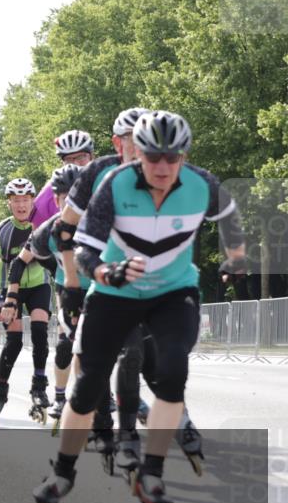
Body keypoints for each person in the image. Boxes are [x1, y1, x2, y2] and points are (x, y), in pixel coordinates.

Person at [24, 111, 246, 503]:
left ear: (184, 155)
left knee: (173, 368)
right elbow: (83, 248)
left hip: (172, 291)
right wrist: (102, 274)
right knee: (89, 385)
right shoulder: (113, 184)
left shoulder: (203, 184)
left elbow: (232, 219)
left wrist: (234, 257)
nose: (162, 167)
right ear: (134, 153)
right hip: (116, 289)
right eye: (152, 157)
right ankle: (63, 473)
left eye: (172, 157)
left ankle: (153, 473)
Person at [58, 107, 202, 478]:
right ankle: (105, 424)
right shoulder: (97, 173)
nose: (137, 152)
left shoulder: (162, 174)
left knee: (148, 354)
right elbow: (64, 231)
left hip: (146, 284)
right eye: (126, 142)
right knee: (93, 359)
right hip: (94, 278)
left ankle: (160, 420)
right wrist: (72, 284)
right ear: (117, 143)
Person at [2, 164, 84, 435]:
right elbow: (18, 263)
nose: (69, 203)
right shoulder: (46, 230)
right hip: (66, 289)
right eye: (62, 198)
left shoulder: (101, 221)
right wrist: (10, 297)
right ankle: (58, 396)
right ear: (55, 200)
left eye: (75, 196)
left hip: (101, 288)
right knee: (65, 346)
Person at [0, 178, 53, 428]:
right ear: (9, 203)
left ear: (33, 200)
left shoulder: (43, 226)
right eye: (16, 201)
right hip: (10, 292)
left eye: (26, 200)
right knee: (14, 341)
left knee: (40, 332)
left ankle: (39, 386)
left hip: (38, 286)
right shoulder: (1, 231)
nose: (22, 205)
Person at [29, 130, 95, 227]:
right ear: (62, 162)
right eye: (69, 159)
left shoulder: (109, 181)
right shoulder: (48, 195)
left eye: (81, 157)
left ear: (92, 157)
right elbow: (37, 231)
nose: (76, 164)